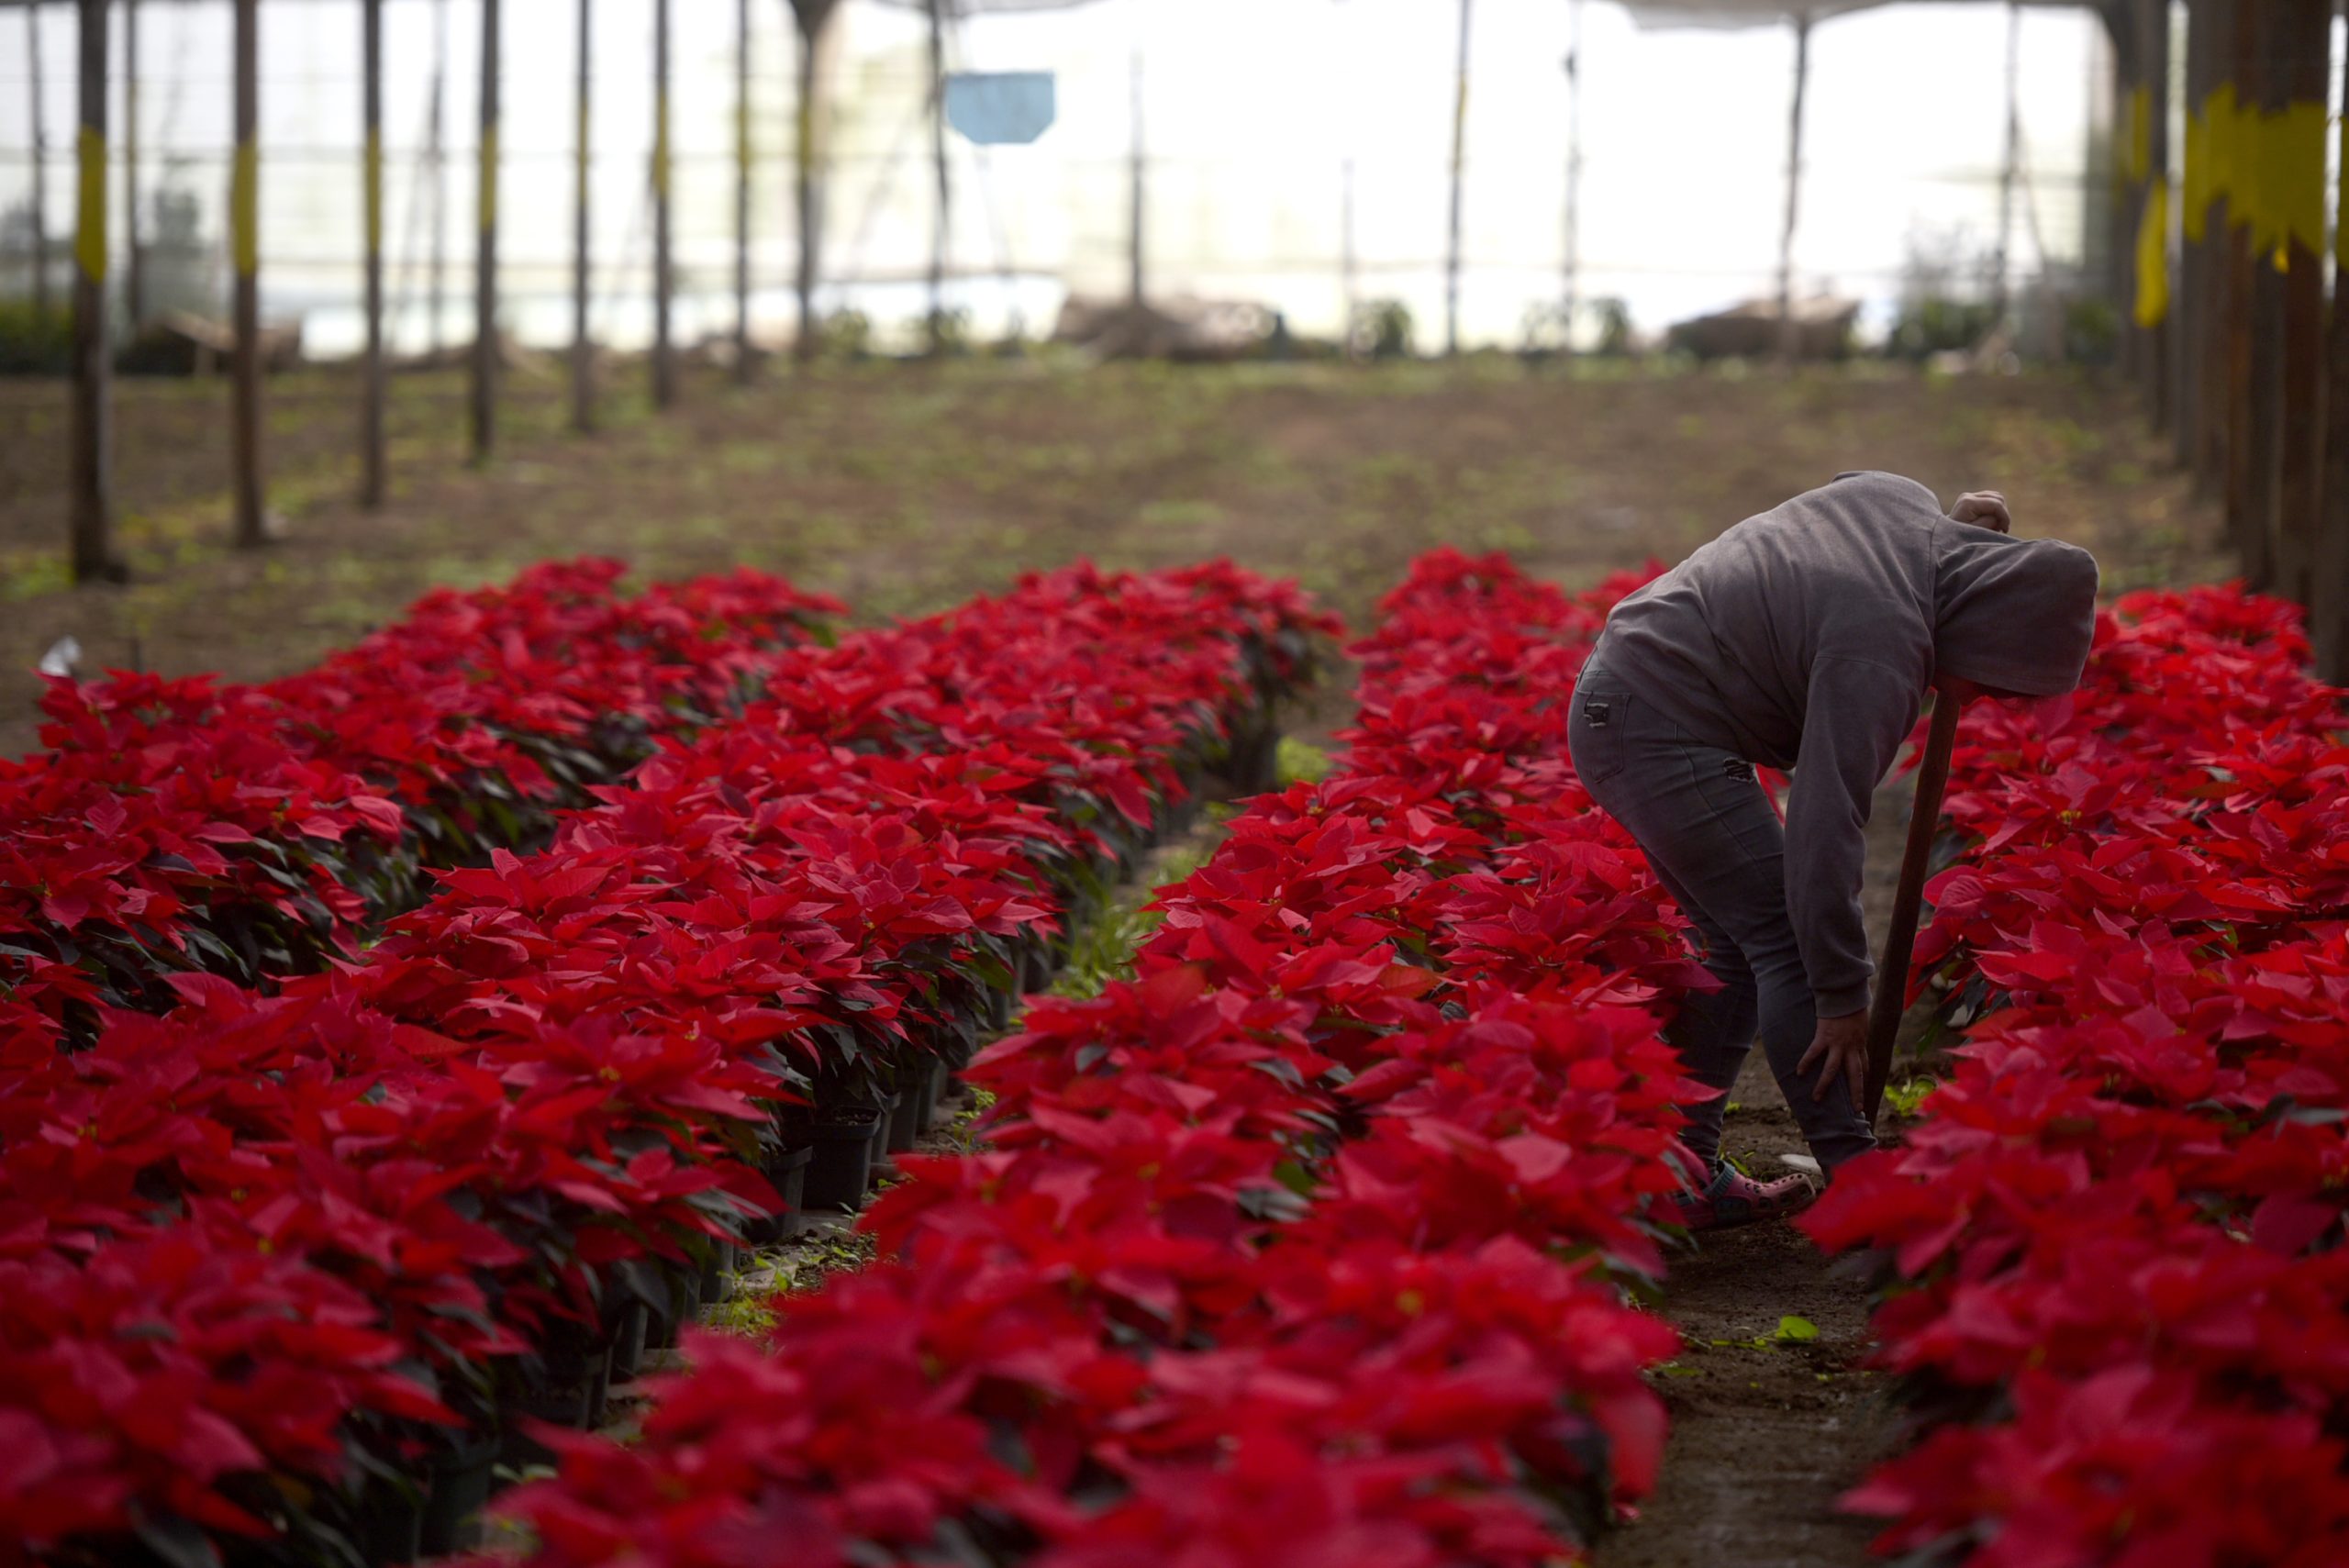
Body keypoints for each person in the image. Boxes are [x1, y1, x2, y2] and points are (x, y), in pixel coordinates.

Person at [1566, 471, 2099, 1229]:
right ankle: (1858, 1180)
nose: (1973, 698)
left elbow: (1862, 513)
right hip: (1652, 722)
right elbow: (1824, 823)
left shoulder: (1904, 503)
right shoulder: (1881, 647)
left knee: (1734, 942)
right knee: (1786, 940)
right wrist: (1843, 994)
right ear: (1973, 632)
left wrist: (1958, 537)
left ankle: (1680, 1171)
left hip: (1630, 688)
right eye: (1988, 680)